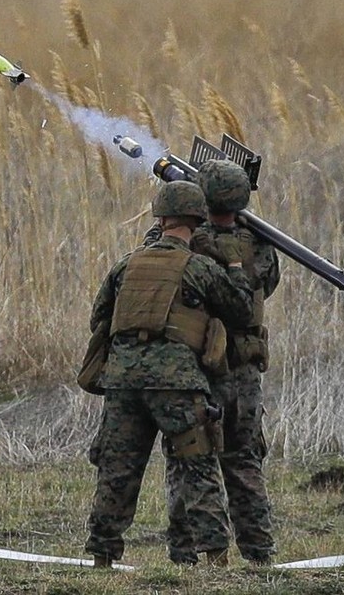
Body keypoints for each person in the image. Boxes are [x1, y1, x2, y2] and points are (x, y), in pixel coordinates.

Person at [84, 180, 255, 568]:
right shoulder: (200, 267)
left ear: (160, 218)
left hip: (123, 381)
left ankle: (103, 556)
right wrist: (234, 265)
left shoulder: (126, 264)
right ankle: (215, 557)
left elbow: (99, 317)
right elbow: (241, 312)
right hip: (177, 381)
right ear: (197, 220)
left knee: (117, 470)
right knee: (198, 466)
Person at [191, 158, 282, 565]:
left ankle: (212, 556)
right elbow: (269, 284)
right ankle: (260, 554)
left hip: (202, 366)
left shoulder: (190, 240)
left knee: (198, 458)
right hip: (245, 370)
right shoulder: (261, 245)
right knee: (245, 462)